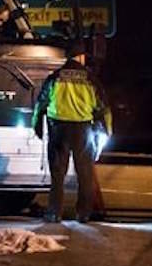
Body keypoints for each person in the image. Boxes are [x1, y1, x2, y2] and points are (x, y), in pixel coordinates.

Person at [32, 42, 112, 223]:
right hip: (82, 129)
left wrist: (37, 126)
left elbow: (41, 104)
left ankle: (54, 213)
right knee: (85, 174)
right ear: (81, 57)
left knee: (58, 175)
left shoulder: (55, 77)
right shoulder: (91, 79)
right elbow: (103, 109)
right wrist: (107, 130)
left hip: (58, 129)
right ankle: (83, 214)